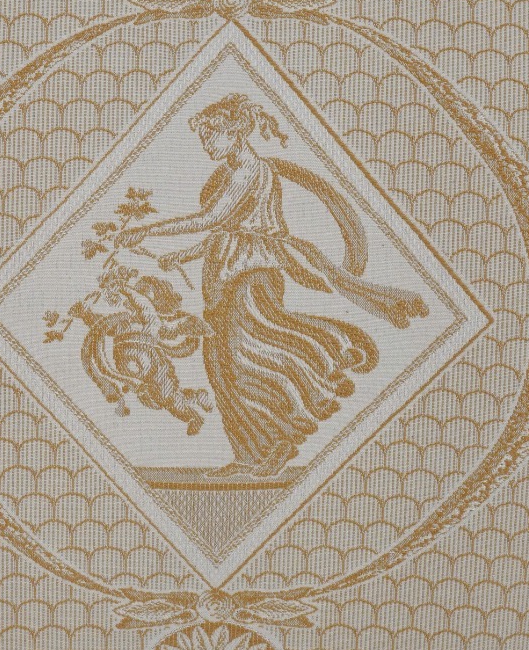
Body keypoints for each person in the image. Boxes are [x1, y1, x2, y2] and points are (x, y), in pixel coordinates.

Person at [116, 94, 427, 479]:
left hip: (251, 274)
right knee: (220, 367)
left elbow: (212, 219)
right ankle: (250, 454)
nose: (207, 144)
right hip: (224, 275)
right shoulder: (232, 173)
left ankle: (320, 375)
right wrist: (182, 255)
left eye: (213, 135)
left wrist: (147, 230)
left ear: (236, 132)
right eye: (203, 138)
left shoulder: (251, 170)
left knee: (253, 351)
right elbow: (226, 230)